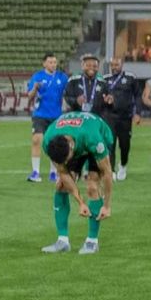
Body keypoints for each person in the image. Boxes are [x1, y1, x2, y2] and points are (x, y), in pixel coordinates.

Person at [39, 111, 116, 255]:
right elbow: (63, 172)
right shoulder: (49, 140)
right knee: (61, 185)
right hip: (78, 140)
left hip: (101, 136)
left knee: (92, 186)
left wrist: (107, 206)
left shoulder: (93, 138)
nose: (66, 163)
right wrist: (80, 202)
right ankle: (62, 241)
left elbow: (107, 172)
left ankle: (92, 242)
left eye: (67, 160)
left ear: (71, 146)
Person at [94, 56, 142, 181]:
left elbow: (137, 96)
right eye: (113, 65)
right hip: (109, 116)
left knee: (125, 144)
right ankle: (112, 170)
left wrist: (138, 113)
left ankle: (123, 164)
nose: (114, 67)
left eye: (117, 65)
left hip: (125, 117)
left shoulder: (131, 78)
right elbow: (99, 97)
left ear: (122, 64)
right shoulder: (104, 79)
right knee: (110, 143)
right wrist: (105, 101)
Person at [26, 53, 69, 182]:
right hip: (40, 115)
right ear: (44, 63)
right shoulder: (37, 76)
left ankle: (53, 172)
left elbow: (68, 93)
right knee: (36, 140)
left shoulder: (62, 77)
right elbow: (29, 96)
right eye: (50, 62)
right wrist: (34, 88)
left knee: (54, 143)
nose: (53, 65)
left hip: (56, 116)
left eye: (55, 62)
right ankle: (35, 172)